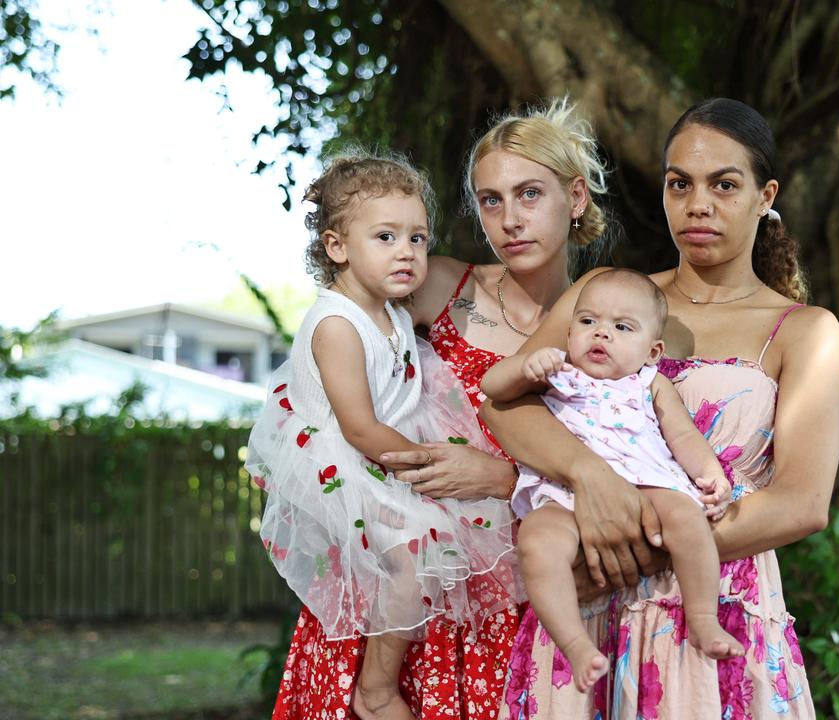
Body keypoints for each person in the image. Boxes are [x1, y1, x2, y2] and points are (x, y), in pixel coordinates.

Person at [485, 98, 839, 719]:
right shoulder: (607, 300)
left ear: (766, 195)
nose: (697, 203)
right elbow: (505, 405)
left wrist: (637, 547)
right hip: (589, 617)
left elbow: (802, 503)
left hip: (711, 610)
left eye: (724, 184)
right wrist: (589, 476)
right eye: (680, 184)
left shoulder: (803, 331)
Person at [268, 98, 612, 720]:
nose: (510, 219)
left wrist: (505, 479)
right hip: (404, 585)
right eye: (490, 200)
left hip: (525, 593)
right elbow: (335, 350)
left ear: (577, 198)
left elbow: (621, 465)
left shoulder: (606, 325)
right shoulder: (437, 284)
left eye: (530, 194)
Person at [247, 152, 522, 720]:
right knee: (420, 548)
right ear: (338, 247)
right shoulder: (337, 324)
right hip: (343, 461)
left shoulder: (393, 312)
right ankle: (375, 688)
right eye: (386, 236)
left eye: (418, 238)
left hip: (384, 452)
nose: (407, 252)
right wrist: (424, 463)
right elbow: (358, 425)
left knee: (456, 535)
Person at [481, 268, 741, 691]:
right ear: (569, 332)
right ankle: (574, 643)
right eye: (588, 322)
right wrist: (526, 367)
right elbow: (492, 388)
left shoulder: (649, 382)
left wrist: (710, 474)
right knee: (537, 541)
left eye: (621, 327)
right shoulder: (559, 372)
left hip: (648, 484)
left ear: (653, 350)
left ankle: (703, 620)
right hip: (565, 494)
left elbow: (682, 435)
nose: (600, 334)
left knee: (688, 519)